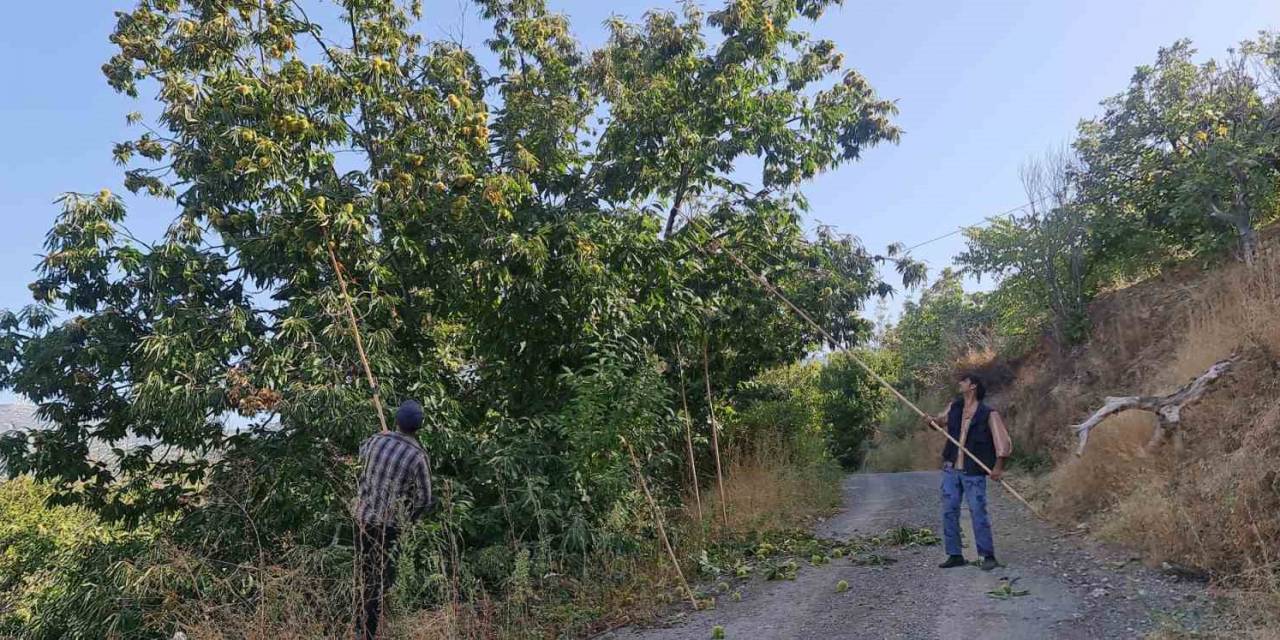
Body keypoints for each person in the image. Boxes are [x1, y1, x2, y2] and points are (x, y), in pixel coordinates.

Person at [355, 400, 436, 640]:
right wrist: (408, 520)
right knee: (378, 581)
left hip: (361, 520)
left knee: (365, 576)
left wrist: (383, 435)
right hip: (388, 527)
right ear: (418, 427)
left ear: (396, 421)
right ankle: (366, 632)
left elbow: (361, 452)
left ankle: (362, 628)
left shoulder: (376, 441)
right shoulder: (418, 457)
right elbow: (425, 499)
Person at [922, 374, 1012, 571]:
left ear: (973, 386)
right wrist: (931, 421)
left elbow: (1002, 442)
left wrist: (997, 468)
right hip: (951, 469)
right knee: (949, 510)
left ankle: (987, 555)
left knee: (978, 511)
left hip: (974, 472)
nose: (960, 383)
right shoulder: (954, 406)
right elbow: (940, 422)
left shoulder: (989, 413)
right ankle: (954, 555)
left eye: (963, 381)